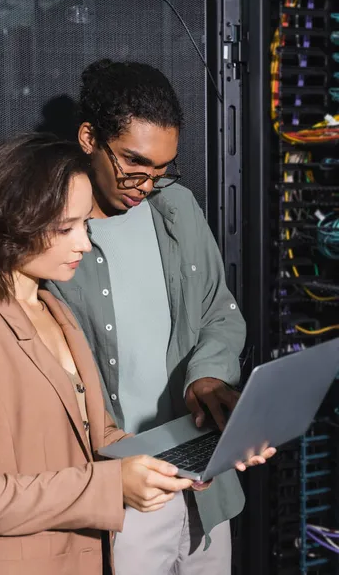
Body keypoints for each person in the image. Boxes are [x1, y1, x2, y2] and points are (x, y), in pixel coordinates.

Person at [45, 60, 276, 575]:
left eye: (161, 168)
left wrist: (207, 377)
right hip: (118, 498)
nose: (146, 184)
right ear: (88, 137)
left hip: (202, 489)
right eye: (133, 163)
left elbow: (219, 309)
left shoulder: (178, 208)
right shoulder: (46, 233)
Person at [0, 133, 201, 575]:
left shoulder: (54, 308)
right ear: (16, 218)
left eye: (85, 225)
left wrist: (188, 459)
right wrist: (109, 485)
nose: (83, 243)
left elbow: (96, 438)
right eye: (66, 228)